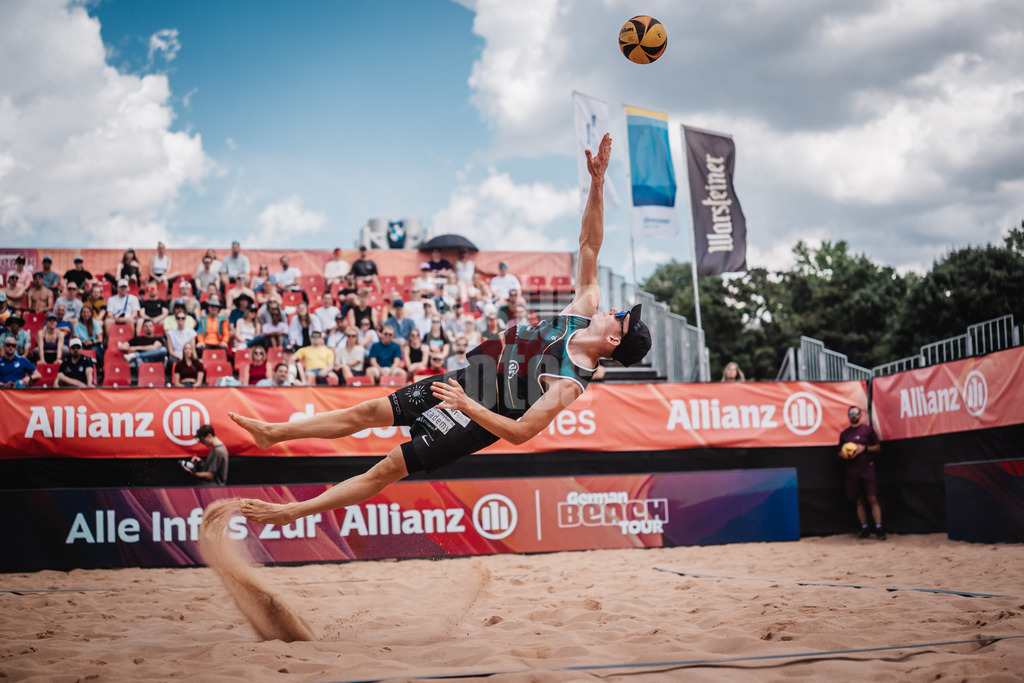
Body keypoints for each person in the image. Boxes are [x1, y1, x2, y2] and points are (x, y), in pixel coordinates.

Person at [229, 134, 652, 527]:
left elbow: (521, 433)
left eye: (621, 318)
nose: (614, 310)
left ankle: (292, 512)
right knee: (366, 413)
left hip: (475, 418)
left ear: (614, 340)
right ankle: (273, 433)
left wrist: (467, 406)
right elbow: (590, 244)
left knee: (385, 469)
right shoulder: (584, 309)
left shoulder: (569, 382)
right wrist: (597, 181)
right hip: (465, 382)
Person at [840, 405, 885, 540]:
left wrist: (864, 449)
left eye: (856, 413)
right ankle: (864, 528)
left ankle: (879, 528)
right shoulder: (845, 434)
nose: (853, 415)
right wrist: (846, 454)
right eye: (851, 413)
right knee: (859, 500)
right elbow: (839, 452)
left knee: (872, 498)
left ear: (860, 415)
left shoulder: (867, 430)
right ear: (848, 416)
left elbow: (878, 447)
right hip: (853, 470)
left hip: (867, 468)